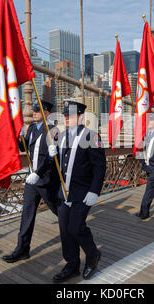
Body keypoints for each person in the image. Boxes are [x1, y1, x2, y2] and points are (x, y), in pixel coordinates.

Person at [46, 100, 106, 283]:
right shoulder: (61, 136)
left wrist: (94, 191)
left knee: (76, 227)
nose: (66, 118)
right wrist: (52, 155)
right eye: (64, 115)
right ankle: (72, 264)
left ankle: (92, 255)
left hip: (82, 192)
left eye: (69, 115)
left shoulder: (91, 136)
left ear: (80, 117)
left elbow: (99, 167)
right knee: (65, 231)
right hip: (63, 193)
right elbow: (59, 165)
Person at [2, 100, 60, 263]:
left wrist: (38, 173)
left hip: (46, 179)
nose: (33, 113)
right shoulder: (32, 128)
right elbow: (25, 149)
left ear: (46, 113)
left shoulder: (53, 130)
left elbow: (51, 157)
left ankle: (75, 231)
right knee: (27, 214)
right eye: (33, 110)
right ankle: (22, 249)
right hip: (32, 180)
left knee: (58, 210)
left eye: (37, 110)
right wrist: (19, 137)